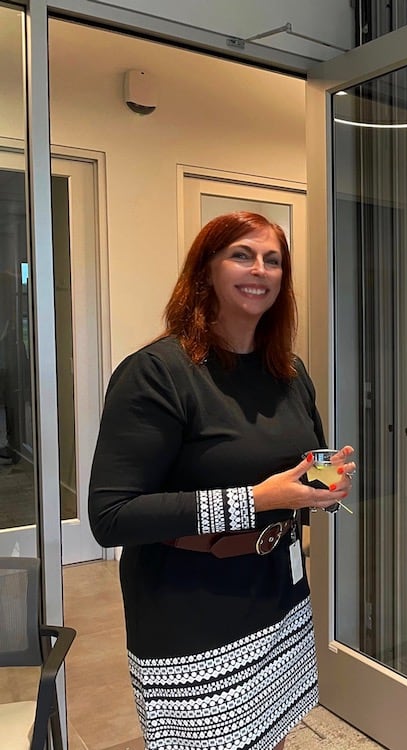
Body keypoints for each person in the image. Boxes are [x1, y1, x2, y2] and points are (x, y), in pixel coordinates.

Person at [89, 211, 355, 750]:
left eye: (273, 260)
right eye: (242, 254)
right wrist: (258, 499)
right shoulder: (157, 373)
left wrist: (326, 485)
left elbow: (307, 454)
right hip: (191, 604)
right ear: (205, 270)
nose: (260, 269)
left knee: (271, 732)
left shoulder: (289, 369)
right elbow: (111, 517)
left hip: (279, 590)